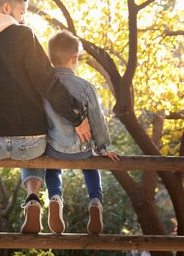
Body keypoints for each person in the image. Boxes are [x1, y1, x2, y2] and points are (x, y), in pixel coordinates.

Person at [0, 0, 90, 234]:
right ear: (6, 8)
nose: (22, 19)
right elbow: (47, 82)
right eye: (21, 12)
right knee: (41, 146)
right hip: (30, 142)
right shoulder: (23, 35)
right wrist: (77, 117)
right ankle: (33, 197)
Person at [43, 30, 120, 235]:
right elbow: (97, 120)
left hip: (54, 149)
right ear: (75, 58)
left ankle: (55, 198)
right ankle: (95, 202)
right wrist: (103, 147)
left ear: (50, 57)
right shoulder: (86, 87)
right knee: (91, 167)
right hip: (83, 150)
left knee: (52, 169)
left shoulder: (43, 87)